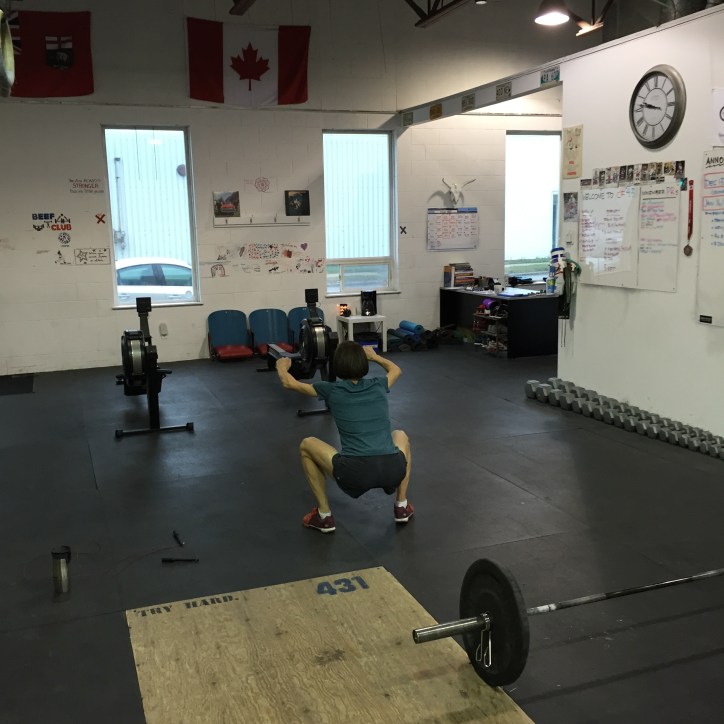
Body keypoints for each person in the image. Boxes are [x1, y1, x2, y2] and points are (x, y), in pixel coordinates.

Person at [276, 341, 412, 534]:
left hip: (355, 474)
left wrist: (282, 367)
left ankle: (324, 516)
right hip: (393, 470)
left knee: (307, 445)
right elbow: (396, 369)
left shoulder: (330, 389)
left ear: (337, 365)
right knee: (401, 435)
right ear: (363, 363)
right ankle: (402, 505)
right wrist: (374, 357)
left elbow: (289, 383)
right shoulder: (379, 384)